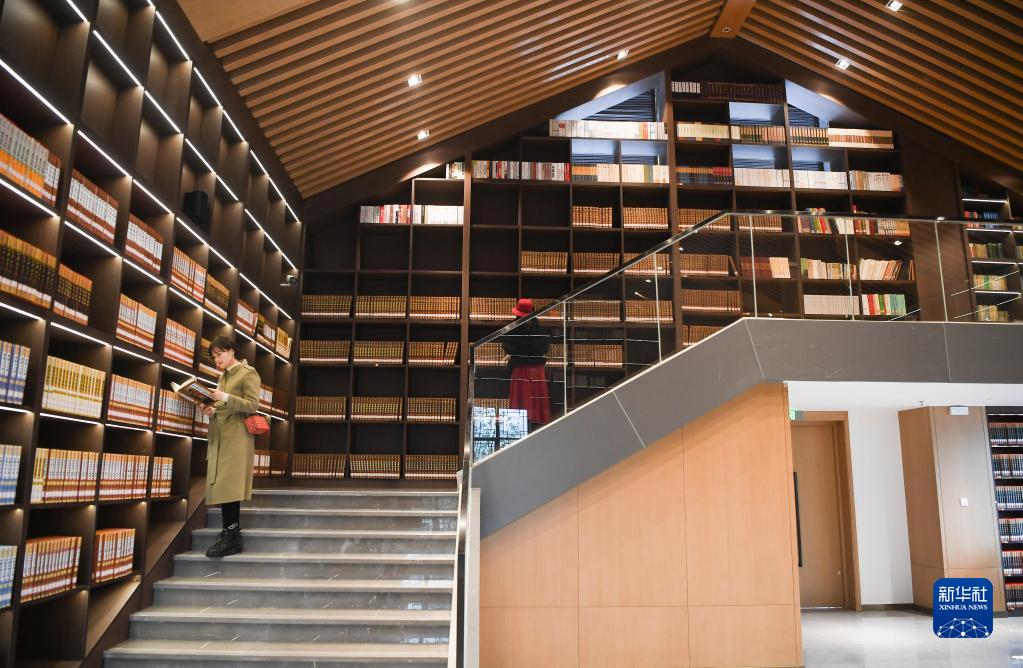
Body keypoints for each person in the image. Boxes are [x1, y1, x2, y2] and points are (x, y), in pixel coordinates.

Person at [201, 335, 261, 558]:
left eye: (220, 354)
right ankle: (230, 533)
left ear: (232, 351)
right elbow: (222, 406)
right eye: (214, 357)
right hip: (221, 435)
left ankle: (231, 534)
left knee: (229, 485)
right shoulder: (223, 376)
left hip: (236, 436)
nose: (217, 359)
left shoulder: (248, 373)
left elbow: (252, 405)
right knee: (222, 485)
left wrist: (225, 396)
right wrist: (211, 410)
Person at [502, 298, 552, 427]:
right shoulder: (539, 329)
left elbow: (508, 347)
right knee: (537, 400)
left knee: (520, 400)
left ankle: (519, 427)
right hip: (537, 369)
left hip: (520, 368)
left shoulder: (512, 328)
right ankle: (537, 425)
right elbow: (545, 348)